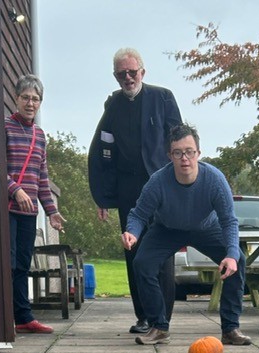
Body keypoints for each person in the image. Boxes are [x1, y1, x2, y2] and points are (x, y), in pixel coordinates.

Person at [121, 123, 252, 347]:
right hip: (166, 229)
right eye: (178, 153)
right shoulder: (157, 182)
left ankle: (230, 329)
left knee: (237, 259)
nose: (184, 158)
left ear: (198, 153)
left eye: (189, 152)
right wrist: (132, 232)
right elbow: (139, 214)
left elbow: (229, 221)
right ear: (169, 156)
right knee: (142, 263)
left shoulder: (214, 180)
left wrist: (230, 254)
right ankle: (158, 327)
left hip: (206, 228)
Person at [88, 47, 182, 334]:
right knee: (134, 252)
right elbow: (103, 151)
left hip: (162, 188)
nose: (128, 78)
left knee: (162, 254)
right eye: (121, 74)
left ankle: (161, 318)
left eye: (132, 72)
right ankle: (143, 316)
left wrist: (180, 184)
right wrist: (103, 196)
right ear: (115, 76)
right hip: (129, 192)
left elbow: (178, 141)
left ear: (143, 71)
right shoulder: (113, 105)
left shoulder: (163, 97)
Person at [6, 74, 65, 334]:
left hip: (29, 213)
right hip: (6, 210)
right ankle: (3, 316)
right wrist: (15, 189)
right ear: (16, 99)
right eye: (26, 97)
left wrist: (52, 212)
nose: (31, 103)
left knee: (21, 265)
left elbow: (42, 177)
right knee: (6, 263)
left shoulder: (40, 136)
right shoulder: (4, 128)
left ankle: (24, 318)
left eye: (36, 99)